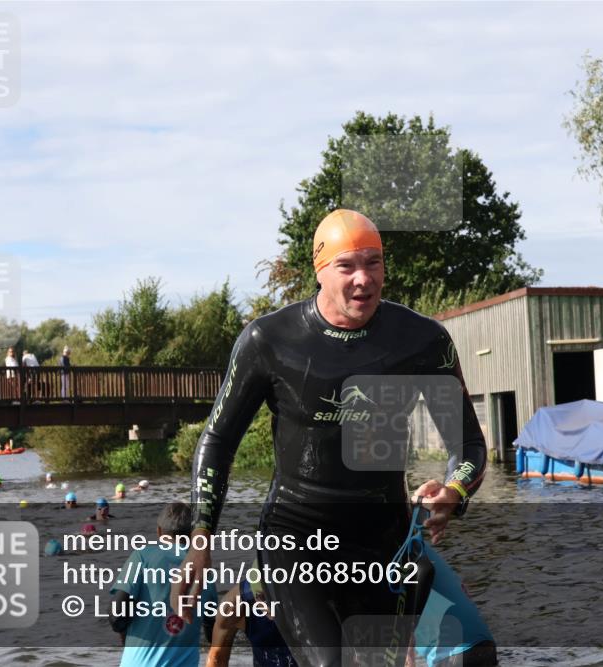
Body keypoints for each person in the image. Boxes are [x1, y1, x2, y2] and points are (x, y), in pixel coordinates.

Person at [172, 210, 488, 667]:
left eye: (373, 263)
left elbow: (470, 446)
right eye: (347, 266)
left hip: (382, 541)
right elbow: (218, 439)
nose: (364, 279)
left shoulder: (422, 341)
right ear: (320, 270)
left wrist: (454, 489)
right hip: (295, 536)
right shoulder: (270, 340)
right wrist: (201, 540)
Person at [206, 545, 497, 667]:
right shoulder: (234, 605)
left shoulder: (329, 585)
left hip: (455, 653)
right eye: (262, 602)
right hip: (472, 645)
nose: (268, 611)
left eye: (273, 601)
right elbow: (216, 658)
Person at [110, 502, 219, 667]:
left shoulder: (142, 556)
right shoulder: (204, 570)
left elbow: (117, 615)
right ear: (192, 535)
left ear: (159, 531)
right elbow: (214, 633)